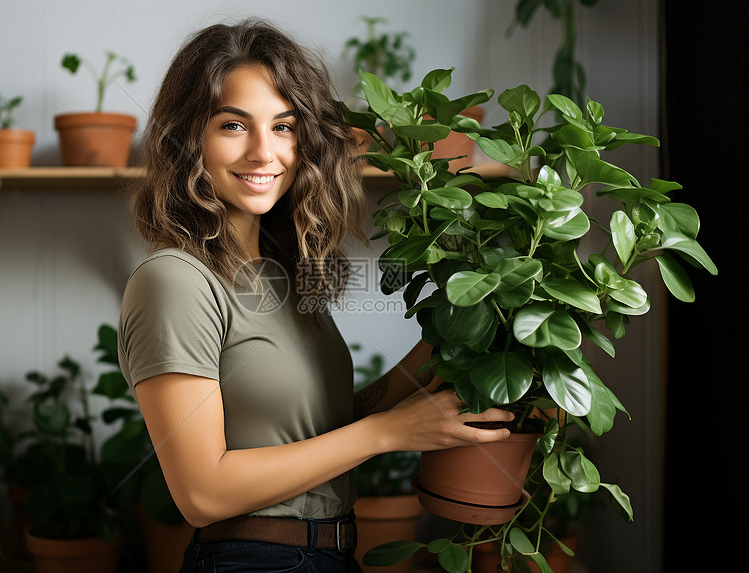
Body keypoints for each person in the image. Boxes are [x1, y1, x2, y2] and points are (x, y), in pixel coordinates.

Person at [117, 18, 514, 573]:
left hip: (327, 556)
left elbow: (321, 426)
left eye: (283, 126)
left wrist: (445, 344)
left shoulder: (280, 274)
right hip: (250, 560)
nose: (264, 152)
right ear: (187, 139)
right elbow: (201, 493)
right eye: (234, 126)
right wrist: (386, 433)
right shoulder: (176, 280)